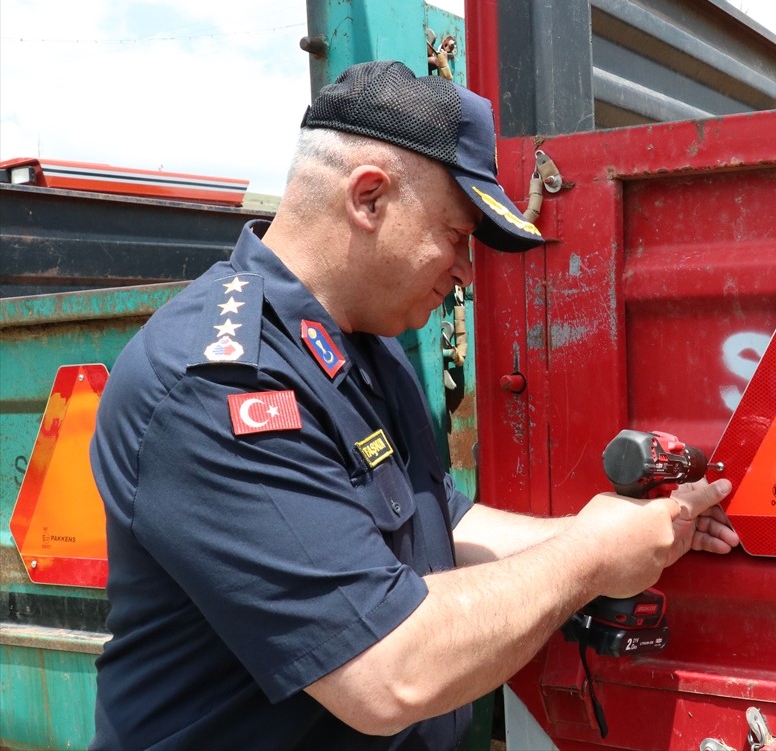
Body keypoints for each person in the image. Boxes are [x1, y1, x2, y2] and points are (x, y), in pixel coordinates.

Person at [88, 60, 740, 750]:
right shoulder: (221, 383)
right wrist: (591, 557)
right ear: (369, 198)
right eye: (456, 236)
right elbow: (385, 672)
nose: (466, 273)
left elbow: (438, 522)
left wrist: (630, 529)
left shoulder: (365, 345)